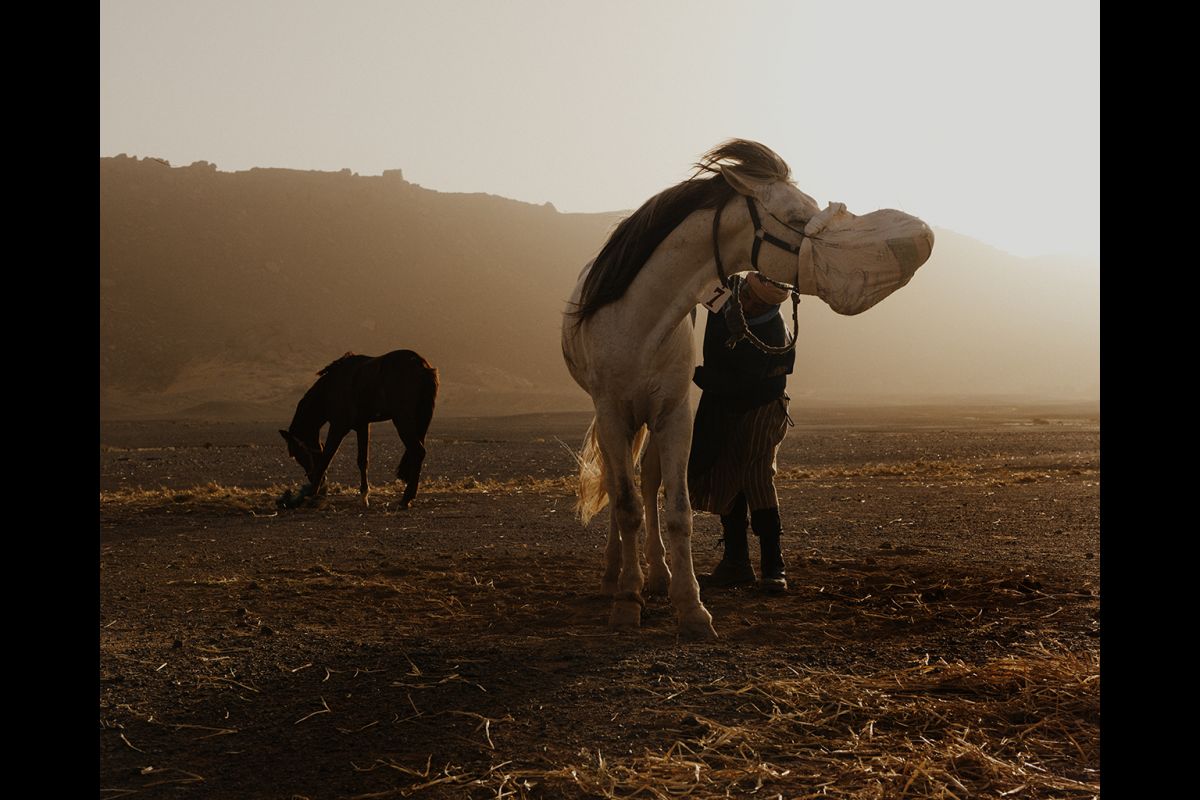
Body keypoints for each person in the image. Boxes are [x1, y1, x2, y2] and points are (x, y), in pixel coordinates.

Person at [688, 272, 795, 593]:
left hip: (760, 406)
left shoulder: (774, 336)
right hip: (724, 403)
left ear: (768, 305)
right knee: (726, 475)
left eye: (754, 302)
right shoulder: (726, 296)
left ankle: (774, 567)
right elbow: (694, 282)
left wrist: (691, 373)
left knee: (757, 476)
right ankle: (736, 563)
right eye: (746, 294)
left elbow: (740, 383)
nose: (745, 303)